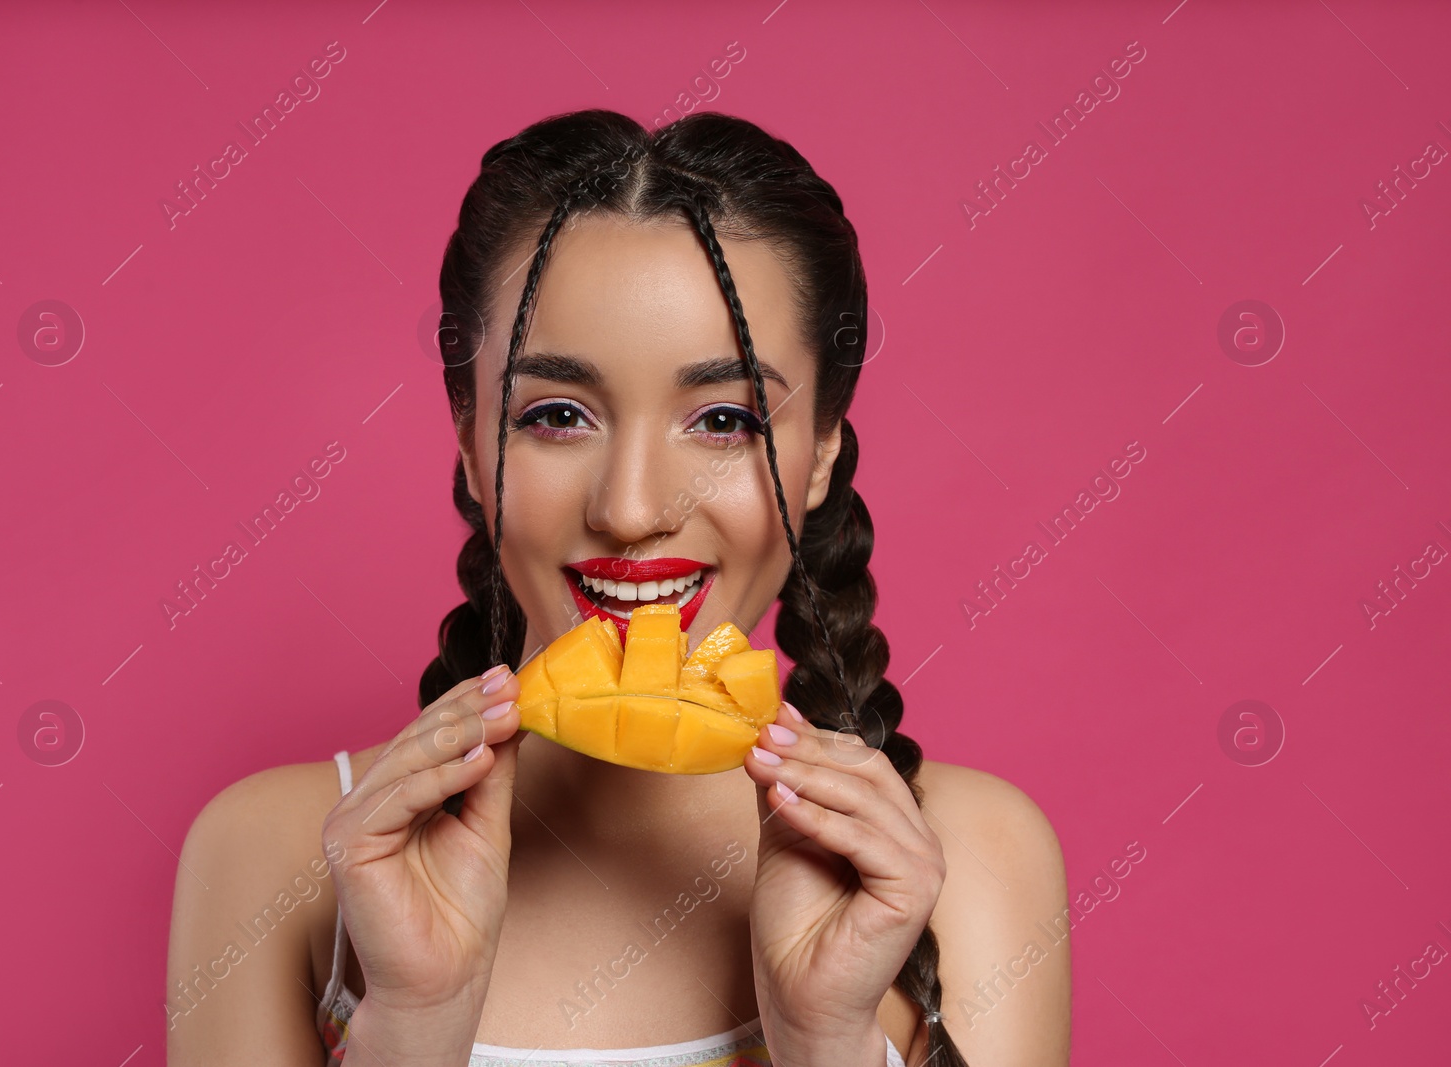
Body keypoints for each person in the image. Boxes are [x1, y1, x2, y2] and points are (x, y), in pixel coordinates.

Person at [166, 108, 1070, 1067]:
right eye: (558, 414)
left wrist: (825, 1038)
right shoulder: (279, 856)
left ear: (819, 458)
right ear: (472, 445)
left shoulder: (968, 861)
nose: (633, 508)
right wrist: (418, 1026)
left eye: (724, 419)